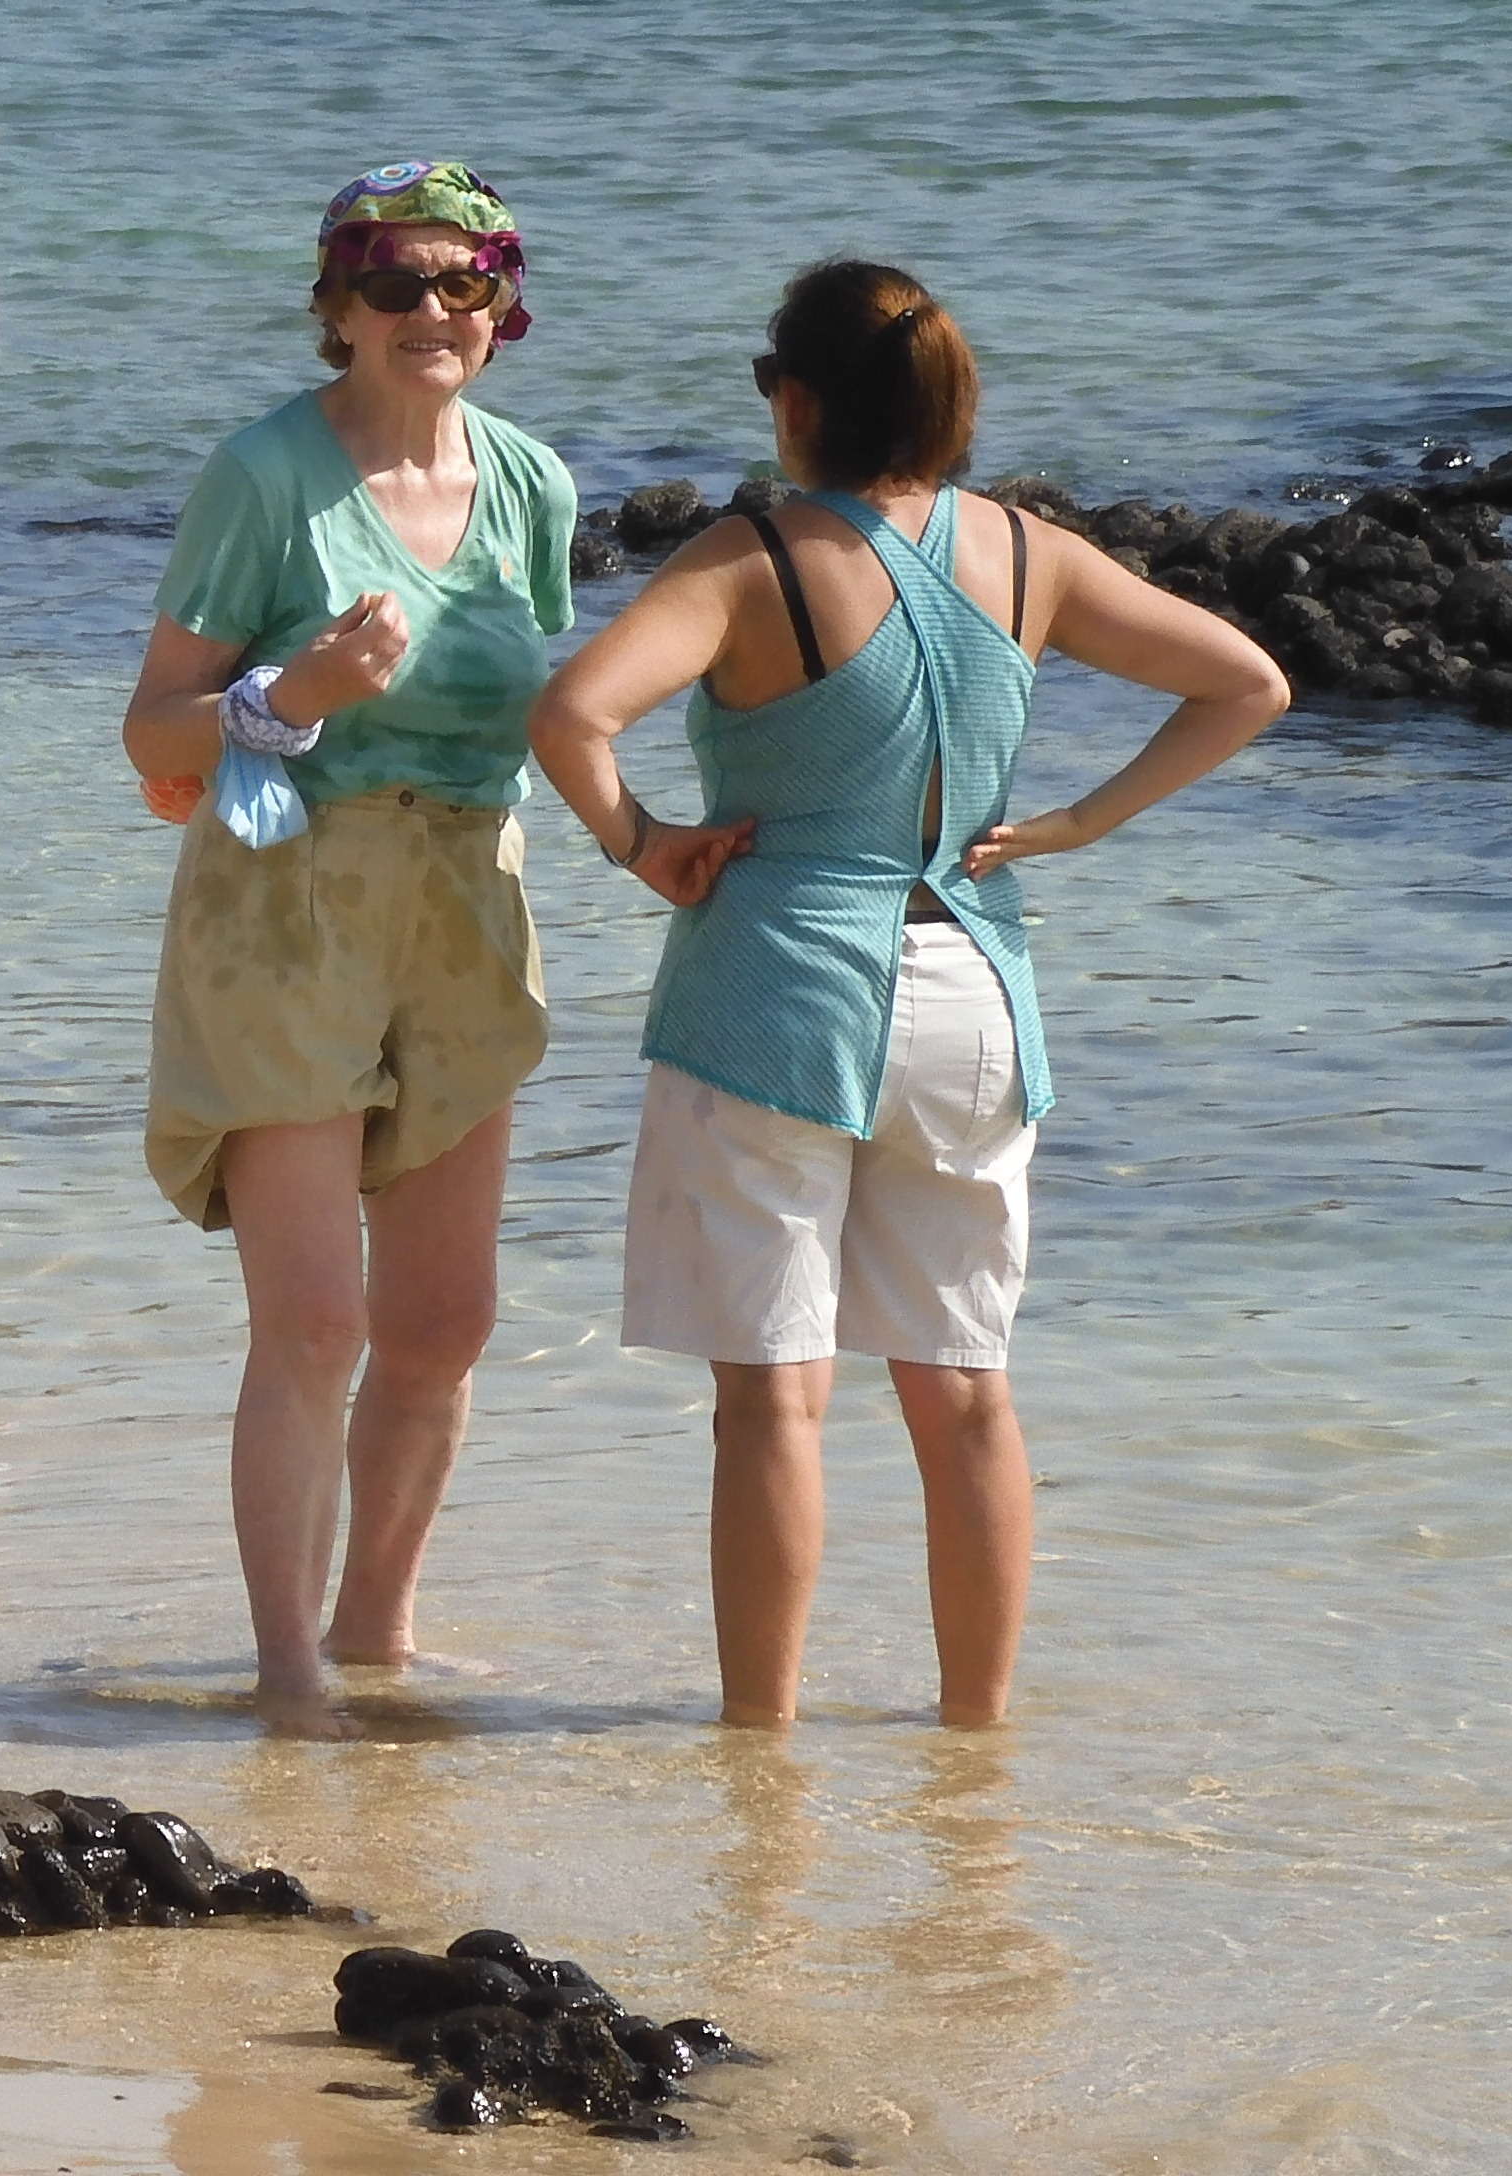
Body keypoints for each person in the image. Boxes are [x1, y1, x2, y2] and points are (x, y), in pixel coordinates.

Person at [528, 262, 1283, 1731]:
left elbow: (570, 713)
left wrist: (642, 844)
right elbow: (1246, 681)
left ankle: (762, 1742)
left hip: (779, 994)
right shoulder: (1028, 553)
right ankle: (974, 1735)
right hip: (971, 990)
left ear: (793, 401)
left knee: (772, 1401)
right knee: (965, 1395)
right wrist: (1079, 823)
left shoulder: (750, 561)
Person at [120, 161, 576, 1728]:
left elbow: (552, 715)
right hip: (285, 907)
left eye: (466, 284)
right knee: (318, 1323)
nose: (432, 314)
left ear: (503, 302)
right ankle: (286, 1668)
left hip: (464, 907)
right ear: (337, 307)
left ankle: (377, 1630)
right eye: (394, 284)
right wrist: (288, 698)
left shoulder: (534, 485)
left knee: (446, 1324)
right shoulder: (263, 479)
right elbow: (151, 731)